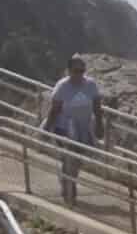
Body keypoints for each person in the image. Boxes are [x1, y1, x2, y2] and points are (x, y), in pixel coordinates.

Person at [43, 54, 106, 206]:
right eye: (76, 71)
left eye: (82, 70)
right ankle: (70, 189)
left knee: (76, 160)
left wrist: (99, 125)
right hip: (64, 127)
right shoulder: (62, 86)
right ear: (69, 71)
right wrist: (46, 129)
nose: (79, 74)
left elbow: (97, 107)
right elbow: (54, 110)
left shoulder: (91, 85)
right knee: (68, 157)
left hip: (83, 128)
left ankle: (68, 182)